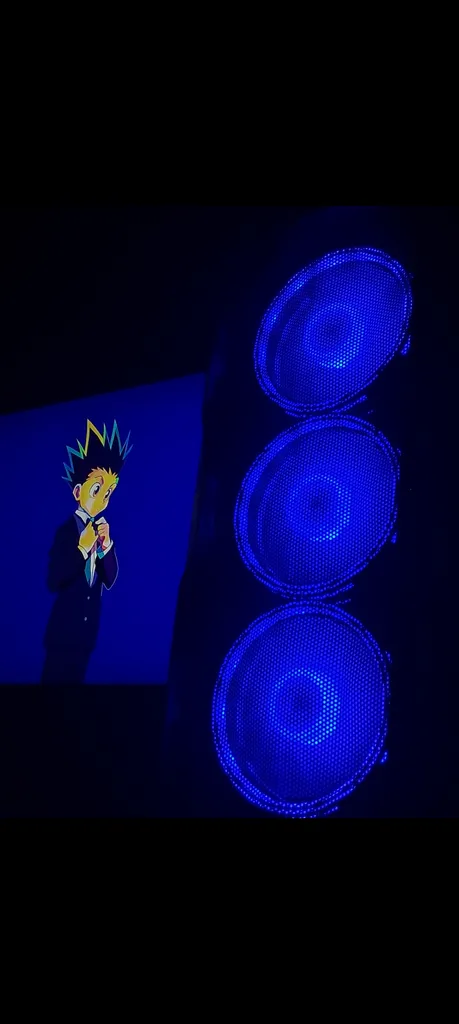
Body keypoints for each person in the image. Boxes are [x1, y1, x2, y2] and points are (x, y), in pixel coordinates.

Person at [41, 419, 132, 684]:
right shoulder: (66, 532)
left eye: (109, 492)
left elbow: (109, 579)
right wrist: (82, 547)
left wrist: (107, 547)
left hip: (86, 636)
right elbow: (54, 579)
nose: (103, 498)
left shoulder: (100, 530)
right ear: (78, 491)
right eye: (97, 489)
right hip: (62, 636)